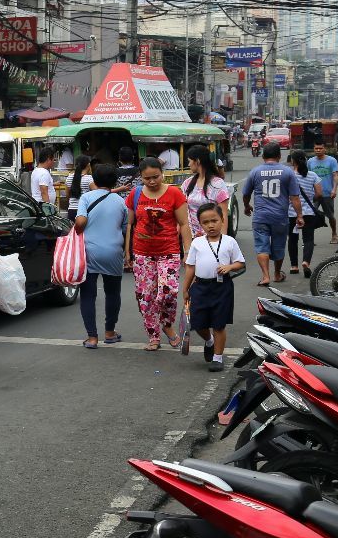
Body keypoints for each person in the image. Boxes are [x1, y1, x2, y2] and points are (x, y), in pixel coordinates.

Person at [126, 158, 193, 352]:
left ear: (162, 173)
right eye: (147, 178)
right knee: (145, 297)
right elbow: (130, 224)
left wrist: (187, 252)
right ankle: (153, 335)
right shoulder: (135, 194)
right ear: (141, 177)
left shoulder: (174, 193)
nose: (152, 181)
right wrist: (127, 251)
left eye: (156, 176)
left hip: (169, 251)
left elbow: (184, 224)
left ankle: (167, 323)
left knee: (168, 292)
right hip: (142, 253)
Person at [182, 203, 247, 372]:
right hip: (200, 287)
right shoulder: (197, 243)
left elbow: (240, 263)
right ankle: (209, 341)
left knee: (219, 323)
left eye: (214, 220)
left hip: (222, 287)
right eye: (206, 222)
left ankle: (217, 357)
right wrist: (185, 289)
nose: (211, 225)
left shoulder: (229, 241)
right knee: (198, 323)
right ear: (200, 224)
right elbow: (190, 267)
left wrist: (230, 267)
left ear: (222, 220)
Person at [74, 164, 130, 349]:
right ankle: (109, 332)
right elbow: (124, 229)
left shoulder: (86, 197)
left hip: (89, 252)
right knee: (113, 292)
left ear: (94, 181)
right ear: (114, 181)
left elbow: (80, 221)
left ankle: (92, 338)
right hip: (113, 251)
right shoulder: (121, 202)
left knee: (88, 295)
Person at [240, 143, 305, 286]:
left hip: (260, 217)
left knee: (262, 246)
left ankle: (265, 276)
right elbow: (294, 197)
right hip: (280, 217)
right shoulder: (288, 172)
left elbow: (246, 194)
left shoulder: (255, 172)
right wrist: (299, 216)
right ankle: (277, 274)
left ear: (263, 156)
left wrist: (246, 206)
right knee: (279, 246)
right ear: (279, 156)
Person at [286, 149, 323, 277]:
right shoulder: (313, 175)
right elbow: (319, 193)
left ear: (293, 161)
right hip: (308, 212)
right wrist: (310, 199)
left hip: (291, 213)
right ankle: (306, 262)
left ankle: (294, 266)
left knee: (292, 239)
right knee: (308, 239)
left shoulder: (289, 175)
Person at [180, 145, 230, 239]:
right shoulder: (187, 184)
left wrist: (223, 241)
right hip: (192, 238)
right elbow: (183, 214)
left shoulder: (217, 184)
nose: (188, 164)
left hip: (213, 237)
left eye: (189, 161)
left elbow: (223, 214)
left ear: (197, 161)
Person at [307, 143, 338, 244]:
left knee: (330, 216)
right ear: (314, 149)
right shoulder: (310, 161)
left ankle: (334, 234)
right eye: (316, 148)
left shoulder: (331, 160)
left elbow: (335, 175)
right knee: (310, 215)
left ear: (324, 149)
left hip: (327, 193)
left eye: (320, 148)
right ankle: (309, 239)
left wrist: (334, 189)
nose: (318, 150)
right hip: (314, 194)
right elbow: (307, 177)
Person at [66, 154, 94, 222]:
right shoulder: (89, 179)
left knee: (73, 232)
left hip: (71, 210)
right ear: (88, 165)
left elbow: (67, 196)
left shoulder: (69, 177)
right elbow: (97, 194)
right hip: (84, 211)